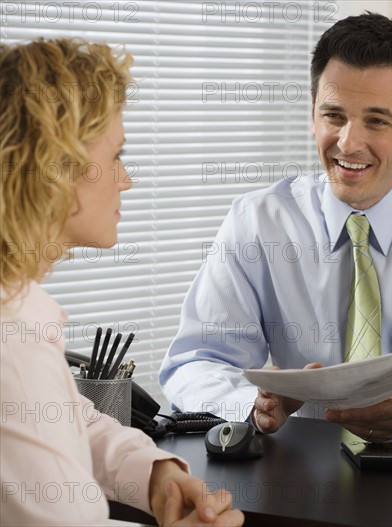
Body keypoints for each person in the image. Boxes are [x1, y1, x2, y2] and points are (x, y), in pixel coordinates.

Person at [0, 38, 244, 527]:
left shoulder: (18, 309)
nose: (125, 180)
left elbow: (66, 422)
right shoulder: (13, 345)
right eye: (115, 156)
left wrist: (156, 476)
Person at [159, 12, 392, 443]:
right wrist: (251, 403)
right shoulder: (260, 221)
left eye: (377, 121)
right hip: (304, 478)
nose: (348, 143)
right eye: (334, 116)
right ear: (312, 115)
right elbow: (195, 360)